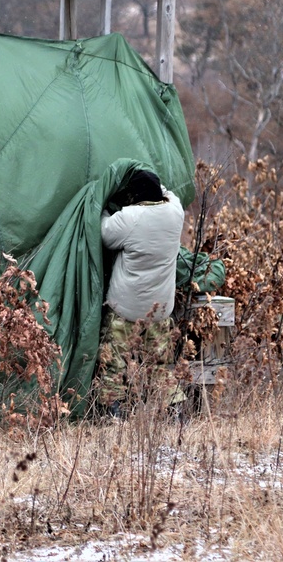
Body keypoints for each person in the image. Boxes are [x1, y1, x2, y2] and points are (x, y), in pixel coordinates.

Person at [92, 169, 185, 413]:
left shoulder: (130, 217)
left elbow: (105, 234)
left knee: (113, 363)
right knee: (161, 366)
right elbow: (169, 193)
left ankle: (114, 414)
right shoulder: (176, 212)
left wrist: (100, 206)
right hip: (161, 309)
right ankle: (175, 413)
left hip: (126, 308)